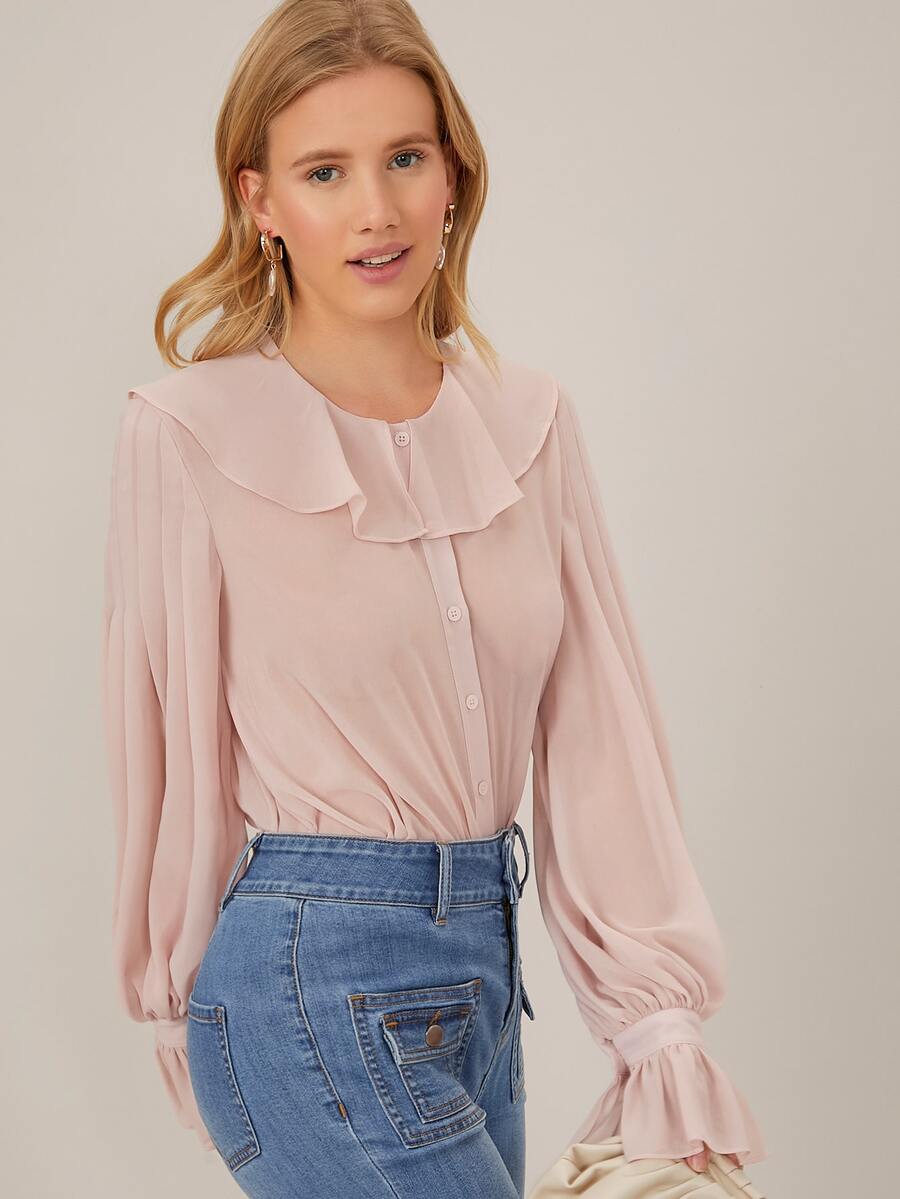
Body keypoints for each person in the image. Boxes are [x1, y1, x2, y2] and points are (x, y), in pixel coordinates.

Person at [100, 1, 767, 1195]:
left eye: (406, 157)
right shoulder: (190, 433)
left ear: (453, 176)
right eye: (325, 171)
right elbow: (169, 747)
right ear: (261, 201)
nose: (377, 208)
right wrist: (168, 994)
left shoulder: (530, 423)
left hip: (486, 984)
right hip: (302, 980)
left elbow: (598, 737)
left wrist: (656, 1022)